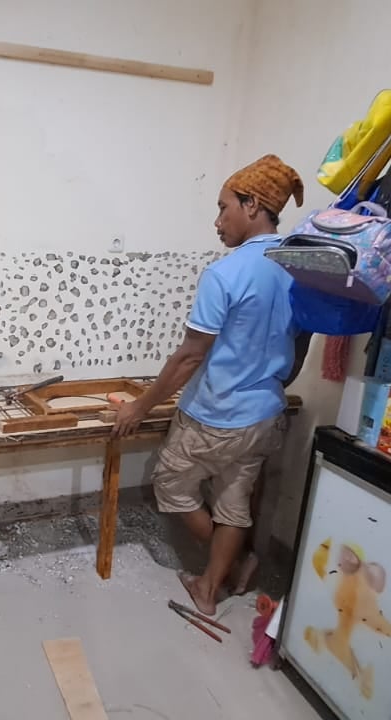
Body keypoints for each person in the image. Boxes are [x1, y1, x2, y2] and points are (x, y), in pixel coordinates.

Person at [112, 154, 312, 616]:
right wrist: (270, 381)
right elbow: (301, 342)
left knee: (171, 484)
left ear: (252, 205)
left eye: (224, 208)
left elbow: (189, 356)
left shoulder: (226, 273)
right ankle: (209, 587)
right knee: (233, 500)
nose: (217, 222)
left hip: (214, 415)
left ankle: (235, 564)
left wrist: (139, 407)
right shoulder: (300, 267)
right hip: (265, 413)